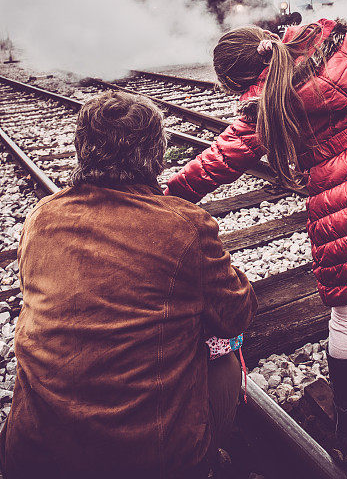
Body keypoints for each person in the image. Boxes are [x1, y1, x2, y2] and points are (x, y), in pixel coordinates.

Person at [165, 19, 347, 462]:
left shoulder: (272, 104)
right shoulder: (343, 50)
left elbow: (220, 159)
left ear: (241, 80)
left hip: (346, 220)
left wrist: (168, 194)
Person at [0, 90, 256, 479]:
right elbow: (236, 314)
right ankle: (202, 461)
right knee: (225, 355)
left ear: (80, 148)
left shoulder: (41, 218)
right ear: (156, 154)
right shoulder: (184, 225)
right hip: (151, 461)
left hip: (33, 454)